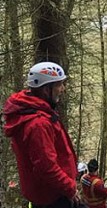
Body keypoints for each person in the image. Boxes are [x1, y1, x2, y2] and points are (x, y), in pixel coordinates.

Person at [3, 61, 79, 208]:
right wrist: (70, 188)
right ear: (46, 89)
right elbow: (46, 167)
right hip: (54, 196)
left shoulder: (34, 111)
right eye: (59, 85)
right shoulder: (38, 124)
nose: (63, 89)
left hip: (48, 193)